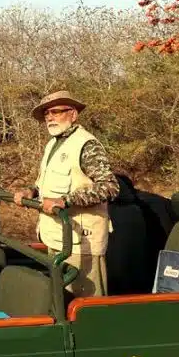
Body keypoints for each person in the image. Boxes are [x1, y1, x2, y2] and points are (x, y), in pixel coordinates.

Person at [12, 90, 119, 298]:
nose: (50, 118)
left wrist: (65, 201)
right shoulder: (53, 144)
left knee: (85, 306)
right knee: (62, 302)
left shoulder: (87, 144)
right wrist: (30, 192)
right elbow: (45, 182)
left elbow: (109, 187)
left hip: (81, 242)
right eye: (46, 114)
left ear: (73, 114)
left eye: (55, 112)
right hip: (56, 238)